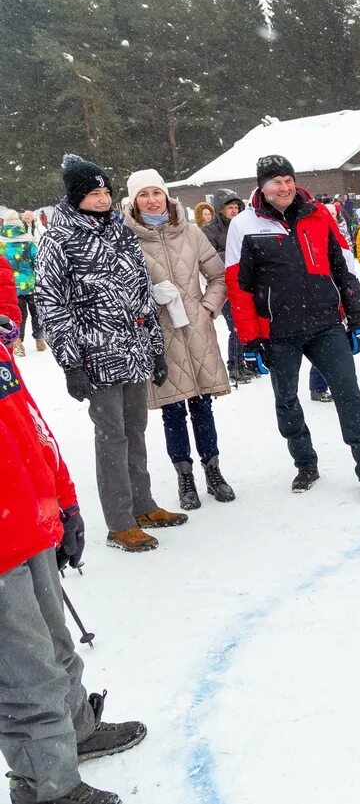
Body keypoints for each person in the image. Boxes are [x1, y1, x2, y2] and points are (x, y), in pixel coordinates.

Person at [0, 340, 148, 804]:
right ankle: (46, 785)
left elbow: (29, 424)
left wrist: (64, 499)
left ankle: (76, 730)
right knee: (26, 673)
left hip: (27, 519)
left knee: (56, 643)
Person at [36, 155, 184, 552]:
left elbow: (140, 293)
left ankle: (143, 504)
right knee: (112, 435)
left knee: (135, 430)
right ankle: (119, 522)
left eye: (106, 193)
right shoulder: (59, 239)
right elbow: (52, 304)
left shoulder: (120, 232)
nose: (102, 200)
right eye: (93, 194)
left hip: (133, 349)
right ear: (75, 197)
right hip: (95, 355)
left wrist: (155, 350)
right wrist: (70, 363)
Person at [224, 154, 360, 502]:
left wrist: (355, 319)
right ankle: (305, 464)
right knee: (287, 401)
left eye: (287, 180)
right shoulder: (244, 225)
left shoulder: (319, 214)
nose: (284, 187)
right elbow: (239, 287)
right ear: (261, 187)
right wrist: (249, 341)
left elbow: (344, 269)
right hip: (278, 333)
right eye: (275, 182)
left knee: (348, 394)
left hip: (326, 325)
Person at [124, 169, 235, 512]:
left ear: (167, 195)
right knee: (172, 409)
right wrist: (146, 298)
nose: (152, 199)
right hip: (159, 337)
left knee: (203, 406)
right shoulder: (126, 239)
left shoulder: (190, 232)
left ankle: (213, 470)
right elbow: (121, 288)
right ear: (134, 201)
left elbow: (219, 276)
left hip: (197, 331)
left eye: (156, 192)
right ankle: (184, 475)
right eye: (144, 195)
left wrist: (207, 309)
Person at [200, 189, 251, 384]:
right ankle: (234, 365)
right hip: (224, 284)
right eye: (230, 207)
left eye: (236, 207)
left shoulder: (242, 226)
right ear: (220, 209)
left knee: (244, 325)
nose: (234, 210)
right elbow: (207, 258)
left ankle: (244, 362)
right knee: (235, 327)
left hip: (244, 282)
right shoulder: (210, 230)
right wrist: (232, 256)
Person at [2, 211, 43, 355]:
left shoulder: (1, 244)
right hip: (31, 284)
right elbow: (38, 260)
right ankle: (40, 339)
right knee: (36, 313)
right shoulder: (28, 241)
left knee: (19, 315)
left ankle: (18, 340)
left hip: (10, 287)